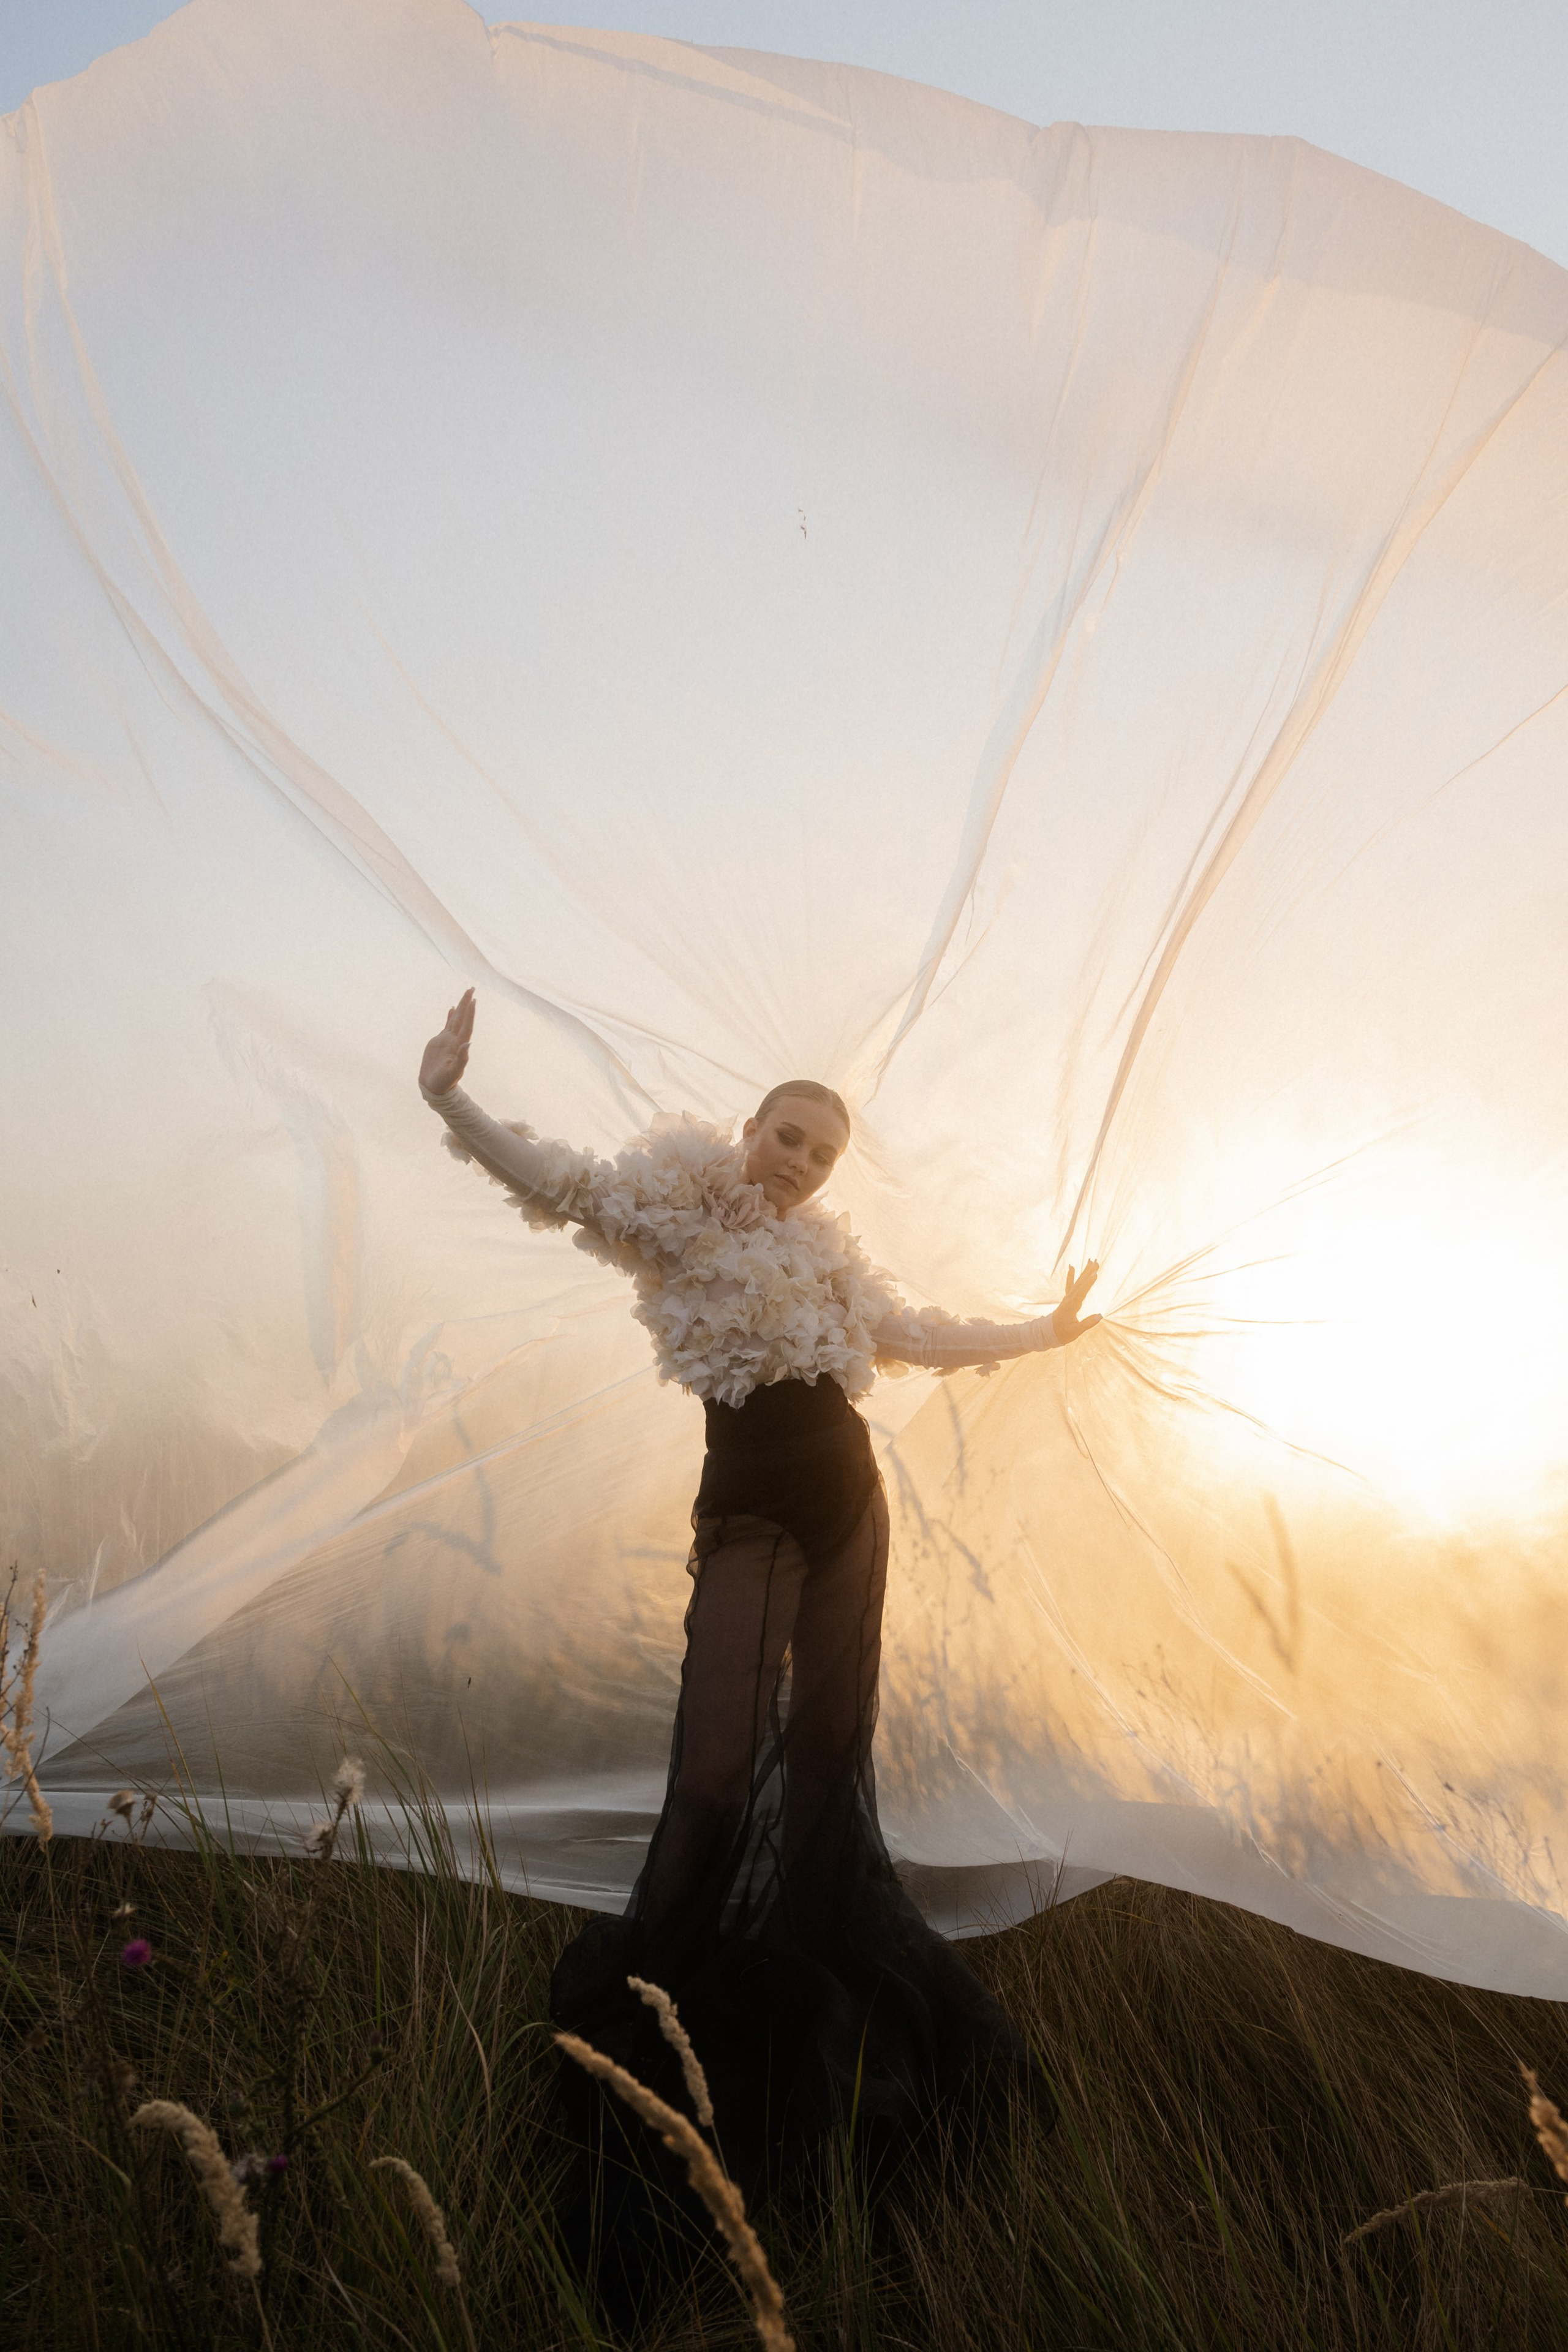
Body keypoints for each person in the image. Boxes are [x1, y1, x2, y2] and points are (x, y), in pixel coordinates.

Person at [418, 988, 1100, 2241]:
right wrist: (450, 1095)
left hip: (850, 1503)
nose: (798, 1163)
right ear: (748, 1128)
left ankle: (822, 1993)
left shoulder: (827, 1260)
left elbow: (916, 1332)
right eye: (787, 1136)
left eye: (822, 1155)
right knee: (717, 1774)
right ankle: (649, 2000)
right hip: (749, 1504)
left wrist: (1044, 1331)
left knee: (830, 1755)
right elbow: (558, 1182)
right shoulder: (670, 1214)